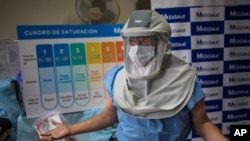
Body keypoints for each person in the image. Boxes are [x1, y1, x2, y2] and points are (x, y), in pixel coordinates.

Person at [40, 10, 229, 141]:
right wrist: (70, 129)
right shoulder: (117, 78)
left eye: (146, 39)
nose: (138, 46)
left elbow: (203, 123)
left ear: (162, 43)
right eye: (133, 40)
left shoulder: (185, 80)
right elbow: (107, 117)